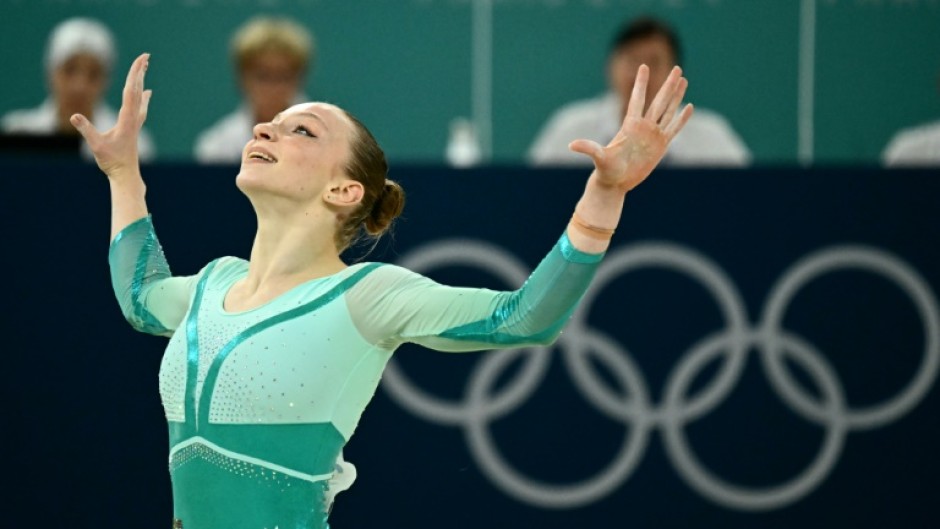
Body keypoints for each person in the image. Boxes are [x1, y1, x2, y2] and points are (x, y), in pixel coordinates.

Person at [71, 52, 693, 529]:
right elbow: (139, 296)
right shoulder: (213, 283)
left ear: (344, 191)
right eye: (271, 124)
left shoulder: (366, 296)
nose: (266, 127)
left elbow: (524, 317)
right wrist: (123, 173)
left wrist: (605, 195)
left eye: (302, 131)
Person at [528, 15, 749, 168]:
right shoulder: (570, 129)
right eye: (631, 59)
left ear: (676, 72)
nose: (641, 72)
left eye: (654, 61)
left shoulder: (713, 137)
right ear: (610, 66)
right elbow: (532, 194)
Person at [1, 17, 155, 162]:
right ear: (51, 72)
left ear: (106, 80)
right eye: (69, 70)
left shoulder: (133, 143)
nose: (79, 86)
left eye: (93, 74)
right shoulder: (16, 132)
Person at [194, 15, 314, 164]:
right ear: (242, 77)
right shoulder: (216, 146)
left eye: (283, 76)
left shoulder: (324, 142)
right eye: (263, 76)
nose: (273, 87)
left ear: (300, 78)